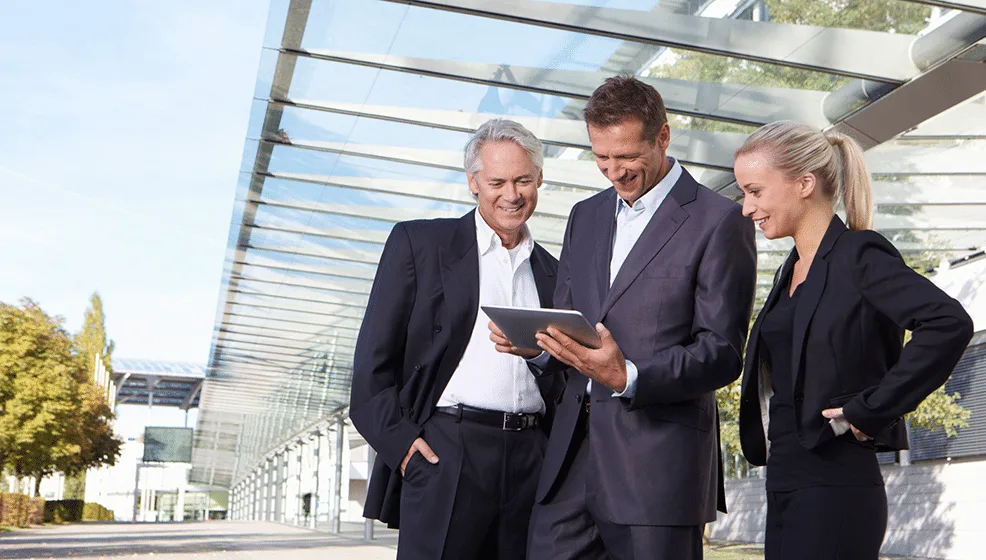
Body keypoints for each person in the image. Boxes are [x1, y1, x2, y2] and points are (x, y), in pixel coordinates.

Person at [492, 75, 757, 560]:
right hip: (571, 461)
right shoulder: (585, 216)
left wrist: (629, 375)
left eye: (627, 156)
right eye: (601, 157)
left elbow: (721, 351)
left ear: (663, 136)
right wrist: (538, 347)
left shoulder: (719, 220)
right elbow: (574, 320)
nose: (614, 171)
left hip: (657, 467)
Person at [734, 121, 974, 559]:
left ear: (804, 183)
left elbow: (948, 322)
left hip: (835, 487)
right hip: (784, 480)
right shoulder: (791, 270)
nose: (747, 208)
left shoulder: (858, 254)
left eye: (755, 191)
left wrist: (873, 407)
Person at [349, 119, 561, 560]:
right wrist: (403, 447)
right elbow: (373, 365)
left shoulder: (555, 272)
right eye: (497, 181)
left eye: (523, 180)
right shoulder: (420, 244)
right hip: (447, 452)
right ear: (473, 182)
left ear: (540, 178)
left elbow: (562, 373)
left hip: (531, 458)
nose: (512, 194)